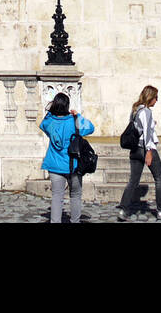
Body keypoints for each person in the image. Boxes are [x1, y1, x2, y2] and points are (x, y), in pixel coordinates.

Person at [39, 92, 95, 224]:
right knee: (75, 195)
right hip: (73, 165)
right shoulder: (74, 121)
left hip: (54, 165)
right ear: (67, 106)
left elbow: (43, 124)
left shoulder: (50, 122)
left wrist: (51, 111)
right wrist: (77, 116)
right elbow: (91, 128)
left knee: (57, 196)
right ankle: (75, 221)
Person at [117, 84, 161, 221]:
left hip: (134, 150)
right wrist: (149, 151)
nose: (156, 100)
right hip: (145, 149)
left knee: (133, 181)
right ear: (150, 97)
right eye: (156, 97)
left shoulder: (135, 110)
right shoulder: (146, 112)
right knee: (159, 179)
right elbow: (146, 133)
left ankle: (124, 209)